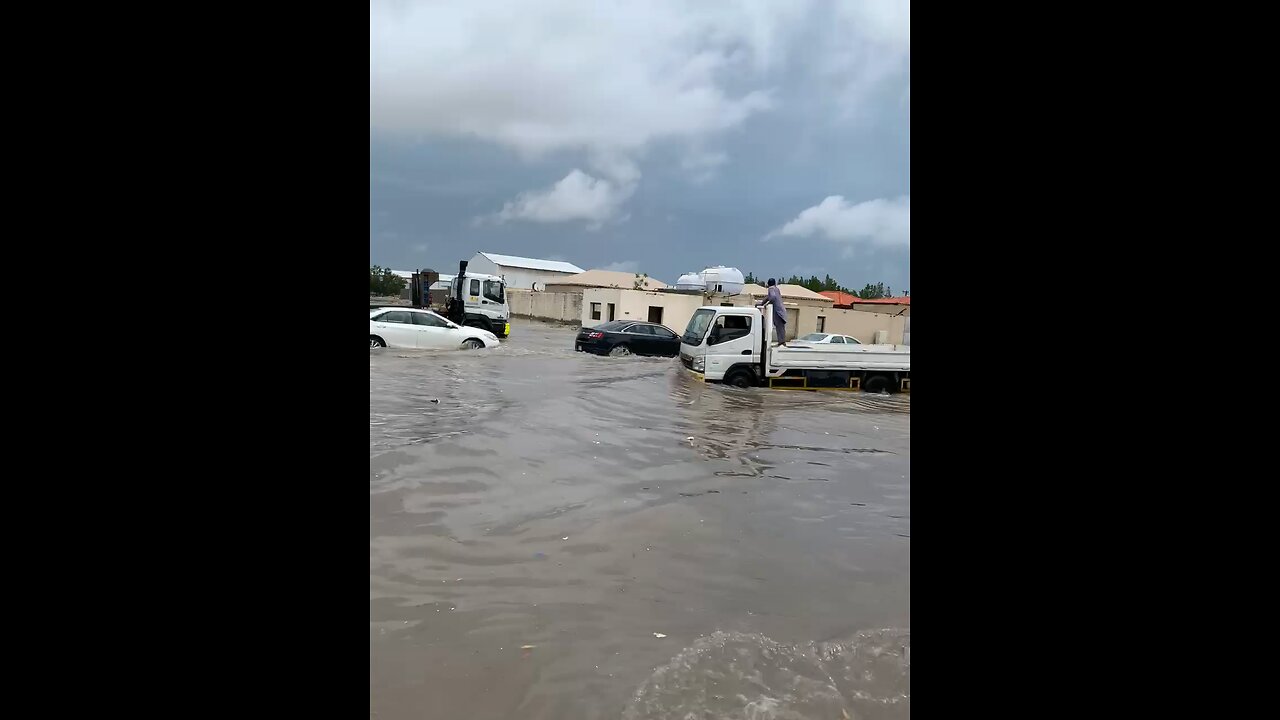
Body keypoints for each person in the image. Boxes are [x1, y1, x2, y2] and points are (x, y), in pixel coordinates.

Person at [756, 278, 787, 345]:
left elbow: (772, 297)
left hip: (778, 311)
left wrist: (766, 304)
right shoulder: (776, 289)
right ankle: (782, 341)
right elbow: (768, 297)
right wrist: (762, 303)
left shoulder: (771, 289)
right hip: (781, 310)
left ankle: (781, 342)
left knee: (779, 326)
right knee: (780, 326)